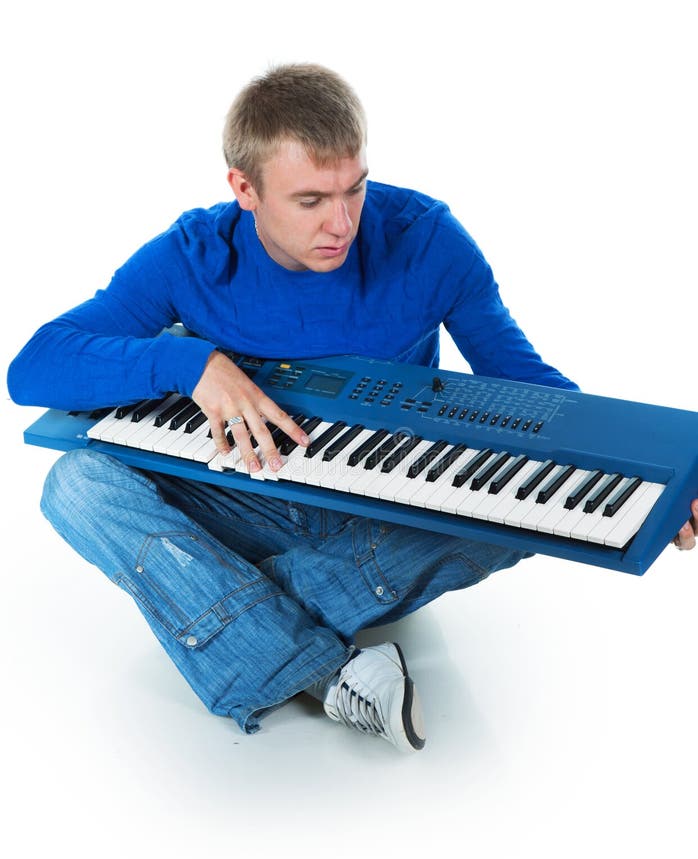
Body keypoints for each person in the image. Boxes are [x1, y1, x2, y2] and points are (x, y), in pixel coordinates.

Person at [7, 64, 697, 753]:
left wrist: (653, 484)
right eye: (310, 200)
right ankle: (330, 666)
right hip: (243, 496)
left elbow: (527, 388)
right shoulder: (192, 254)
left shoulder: (425, 238)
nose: (342, 223)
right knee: (75, 485)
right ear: (244, 189)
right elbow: (34, 366)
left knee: (527, 516)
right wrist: (189, 363)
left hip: (391, 504)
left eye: (355, 189)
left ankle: (229, 618)